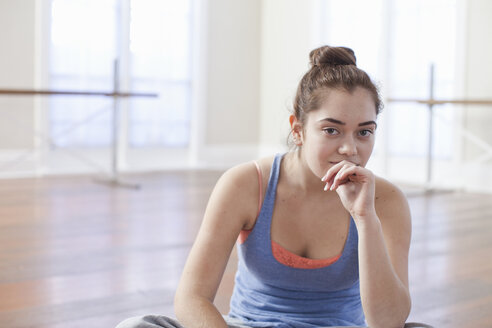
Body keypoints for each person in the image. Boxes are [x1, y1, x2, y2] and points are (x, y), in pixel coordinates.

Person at [116, 46, 427, 328]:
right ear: (299, 129)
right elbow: (191, 298)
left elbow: (389, 323)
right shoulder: (246, 184)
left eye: (364, 132)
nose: (350, 149)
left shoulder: (387, 201)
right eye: (331, 130)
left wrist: (365, 218)